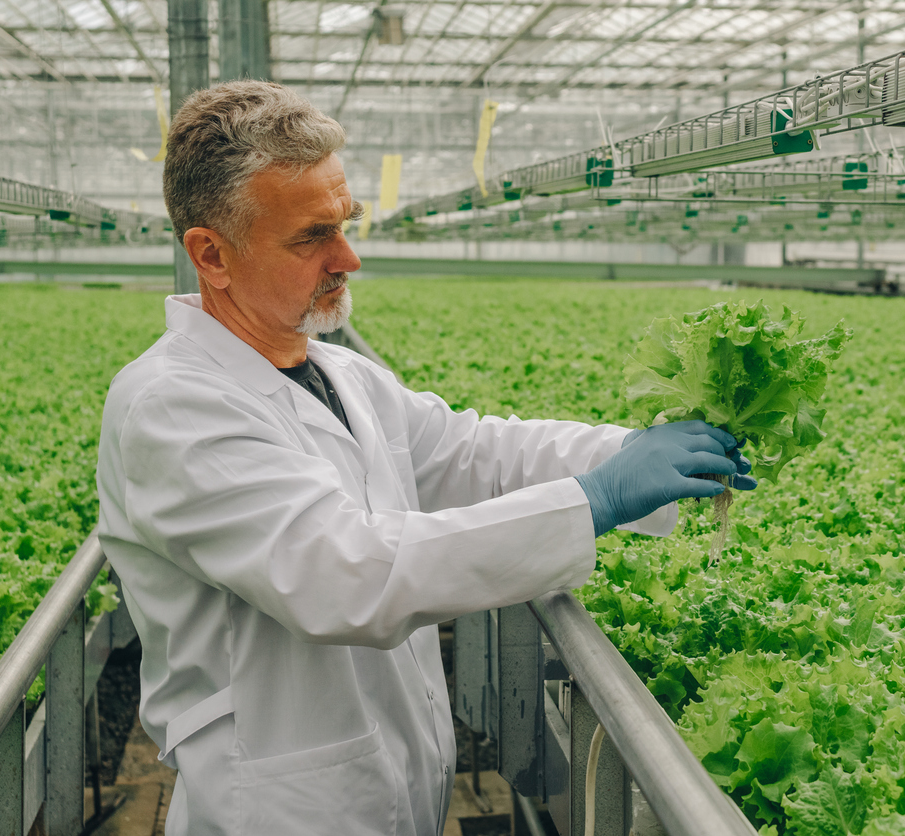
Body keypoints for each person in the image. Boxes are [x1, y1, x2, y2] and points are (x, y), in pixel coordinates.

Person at [96, 80, 755, 836]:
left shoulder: (338, 371)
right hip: (282, 810)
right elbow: (350, 574)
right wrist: (593, 501)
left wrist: (629, 453)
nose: (349, 256)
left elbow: (472, 451)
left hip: (390, 782)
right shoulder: (171, 408)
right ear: (212, 255)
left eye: (346, 223)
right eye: (312, 237)